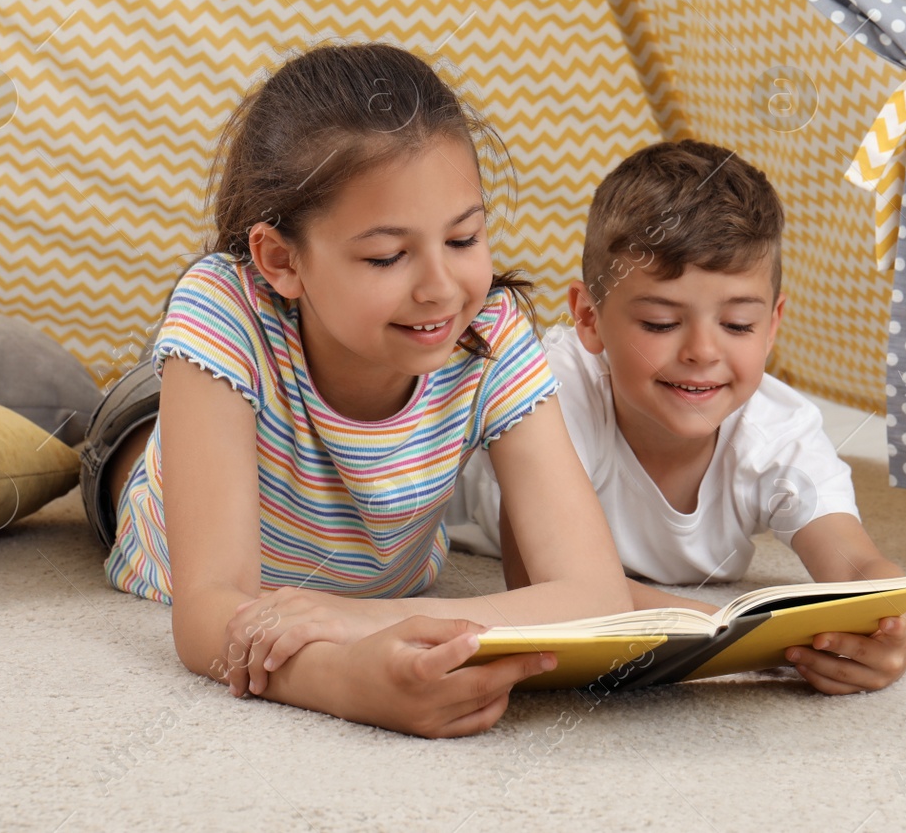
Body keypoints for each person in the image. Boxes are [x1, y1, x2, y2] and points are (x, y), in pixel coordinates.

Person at [78, 42, 631, 738]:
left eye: (463, 238)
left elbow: (596, 595)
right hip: (139, 460)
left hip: (313, 493)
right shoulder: (222, 305)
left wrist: (356, 619)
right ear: (281, 259)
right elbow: (207, 613)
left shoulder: (491, 330)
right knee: (80, 417)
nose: (438, 287)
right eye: (387, 256)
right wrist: (346, 680)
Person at [454, 140, 906, 695]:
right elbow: (535, 580)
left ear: (772, 325)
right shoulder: (552, 387)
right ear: (589, 318)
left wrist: (891, 621)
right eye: (659, 323)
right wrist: (710, 624)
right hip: (445, 502)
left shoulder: (777, 434)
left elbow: (858, 565)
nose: (702, 352)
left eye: (738, 326)